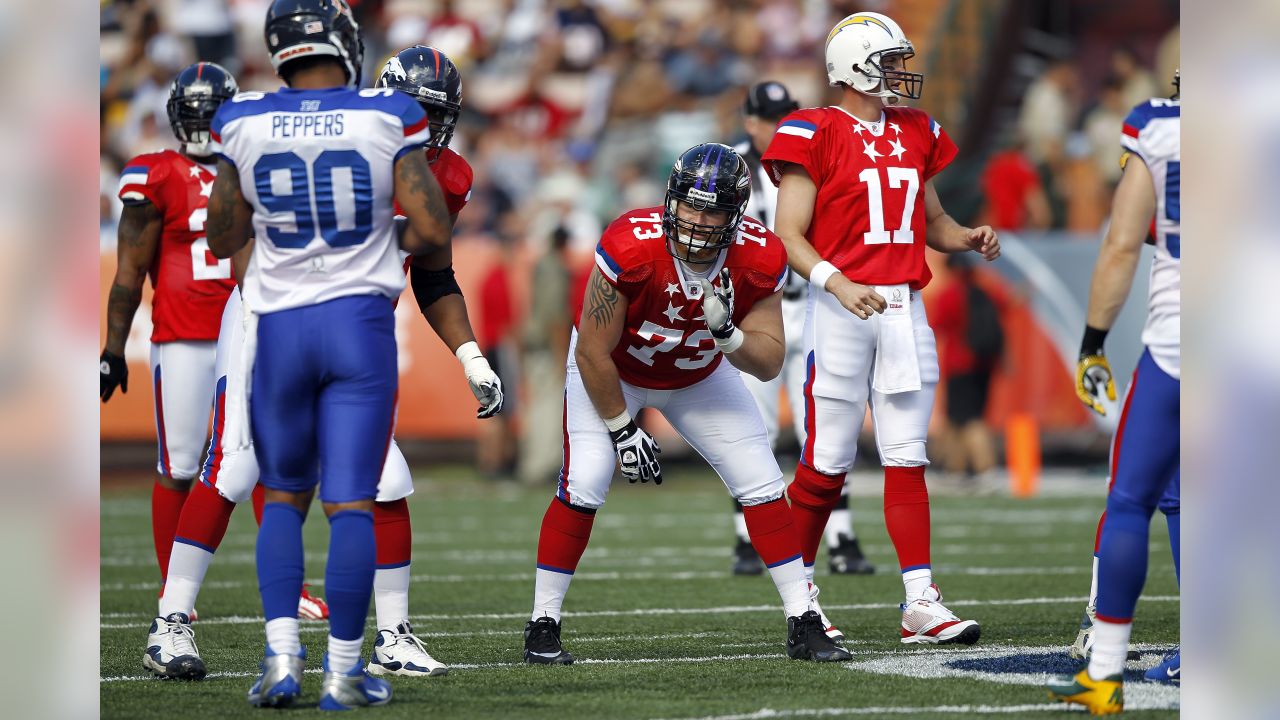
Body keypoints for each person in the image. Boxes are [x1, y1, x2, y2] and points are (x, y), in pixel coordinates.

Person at [145, 43, 499, 683]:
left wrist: (471, 355)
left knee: (385, 477)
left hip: (351, 321)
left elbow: (435, 271)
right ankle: (172, 621)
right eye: (416, 109)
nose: (427, 123)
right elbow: (233, 236)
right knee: (233, 466)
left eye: (435, 113)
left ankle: (389, 636)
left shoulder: (440, 169)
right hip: (271, 311)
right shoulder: (354, 131)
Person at [205, 0, 452, 709]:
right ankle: (344, 674)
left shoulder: (241, 119)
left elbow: (223, 237)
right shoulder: (386, 113)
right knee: (350, 504)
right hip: (357, 327)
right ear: (344, 40)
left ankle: (282, 658)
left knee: (281, 495)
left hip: (279, 326)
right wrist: (376, 239)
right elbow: (431, 225)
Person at [523, 143, 851, 666]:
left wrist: (728, 334)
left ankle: (803, 618)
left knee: (763, 483)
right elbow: (591, 349)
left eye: (712, 209)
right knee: (585, 481)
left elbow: (767, 362)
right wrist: (622, 429)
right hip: (616, 372)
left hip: (699, 375)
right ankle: (543, 622)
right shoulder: (631, 243)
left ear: (736, 214)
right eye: (689, 206)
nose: (697, 221)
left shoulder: (760, 254)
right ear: (670, 199)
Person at [762, 11, 999, 645]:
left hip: (901, 308)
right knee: (826, 463)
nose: (900, 72)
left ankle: (920, 601)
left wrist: (967, 238)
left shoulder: (916, 130)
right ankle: (800, 598)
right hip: (840, 308)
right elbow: (787, 235)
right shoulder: (811, 130)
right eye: (890, 61)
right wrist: (838, 283)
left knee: (907, 456)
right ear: (856, 66)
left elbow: (933, 222)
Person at [1048, 72, 1181, 713]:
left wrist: (1092, 342)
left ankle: (1103, 677)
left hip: (1179, 347)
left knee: (1132, 500)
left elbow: (1124, 242)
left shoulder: (1158, 127)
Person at [101, 62, 239, 674]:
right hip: (183, 335)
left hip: (246, 330)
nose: (207, 123)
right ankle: (171, 597)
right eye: (199, 111)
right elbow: (129, 270)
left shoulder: (250, 163)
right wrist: (111, 348)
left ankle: (287, 588)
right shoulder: (153, 173)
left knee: (255, 458)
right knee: (180, 465)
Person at [731, 80, 874, 577]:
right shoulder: (730, 165)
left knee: (825, 427)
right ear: (751, 122)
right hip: (755, 311)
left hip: (810, 302)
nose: (777, 125)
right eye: (769, 118)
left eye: (784, 115)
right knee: (756, 428)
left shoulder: (811, 154)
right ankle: (748, 538)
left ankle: (841, 536)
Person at [930, 254, 1008, 485]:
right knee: (957, 418)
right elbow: (1007, 305)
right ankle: (955, 468)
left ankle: (986, 469)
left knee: (970, 419)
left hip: (959, 363)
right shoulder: (985, 291)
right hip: (984, 363)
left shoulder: (950, 294)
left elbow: (937, 324)